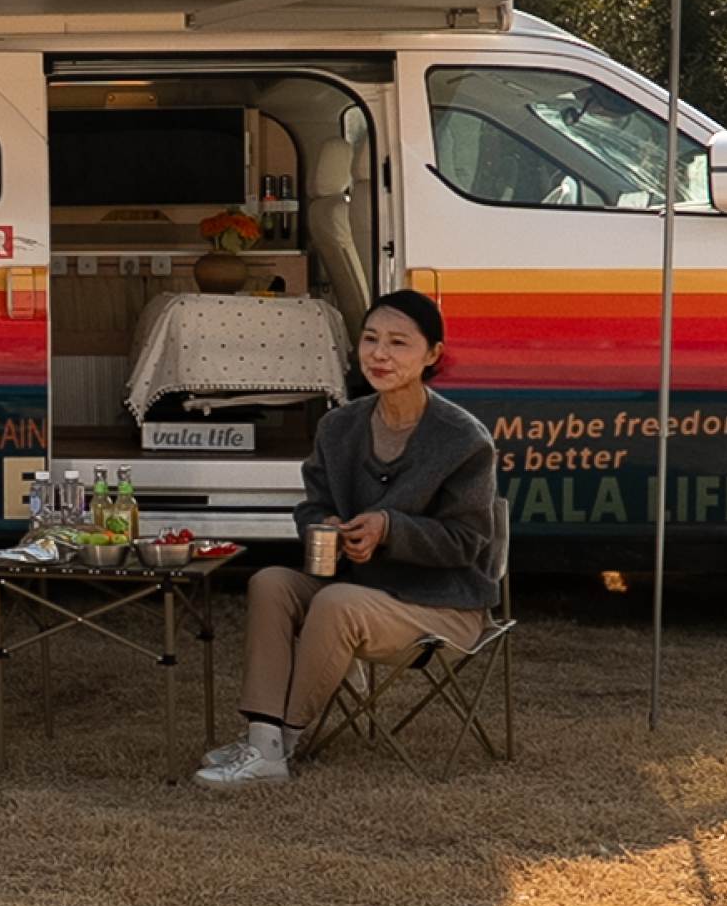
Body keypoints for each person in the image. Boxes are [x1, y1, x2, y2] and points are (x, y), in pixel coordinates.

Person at [196, 288, 501, 790]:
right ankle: (262, 738)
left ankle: (279, 747)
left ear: (433, 355)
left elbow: (468, 541)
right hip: (363, 585)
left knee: (336, 603)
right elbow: (312, 506)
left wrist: (390, 529)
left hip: (443, 606)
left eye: (399, 343)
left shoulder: (463, 439)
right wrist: (327, 528)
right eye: (370, 339)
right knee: (271, 582)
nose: (380, 354)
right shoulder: (338, 426)